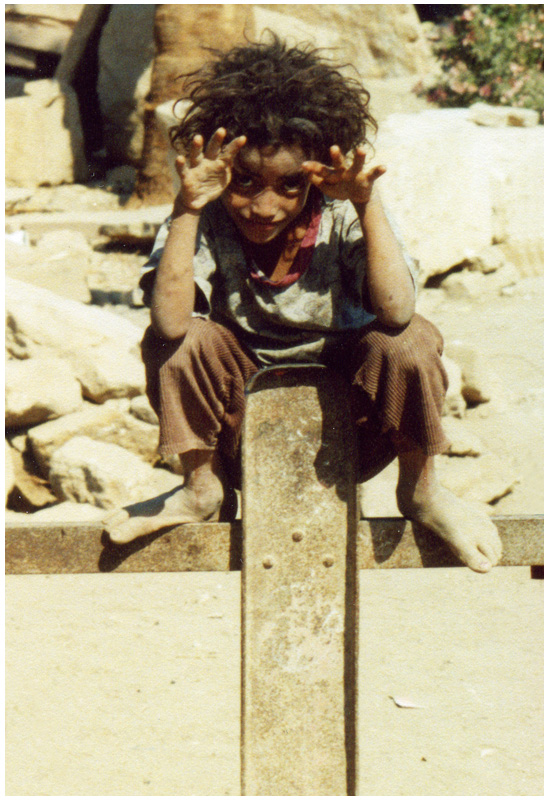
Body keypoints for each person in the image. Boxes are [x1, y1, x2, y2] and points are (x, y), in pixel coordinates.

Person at [104, 36, 502, 573]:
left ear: (316, 178)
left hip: (352, 427)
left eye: (289, 186)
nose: (264, 206)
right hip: (239, 428)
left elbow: (397, 312)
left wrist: (366, 203)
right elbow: (171, 322)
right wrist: (186, 208)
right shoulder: (207, 217)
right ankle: (200, 488)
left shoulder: (340, 216)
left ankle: (423, 491)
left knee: (410, 339)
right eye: (244, 181)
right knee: (175, 342)